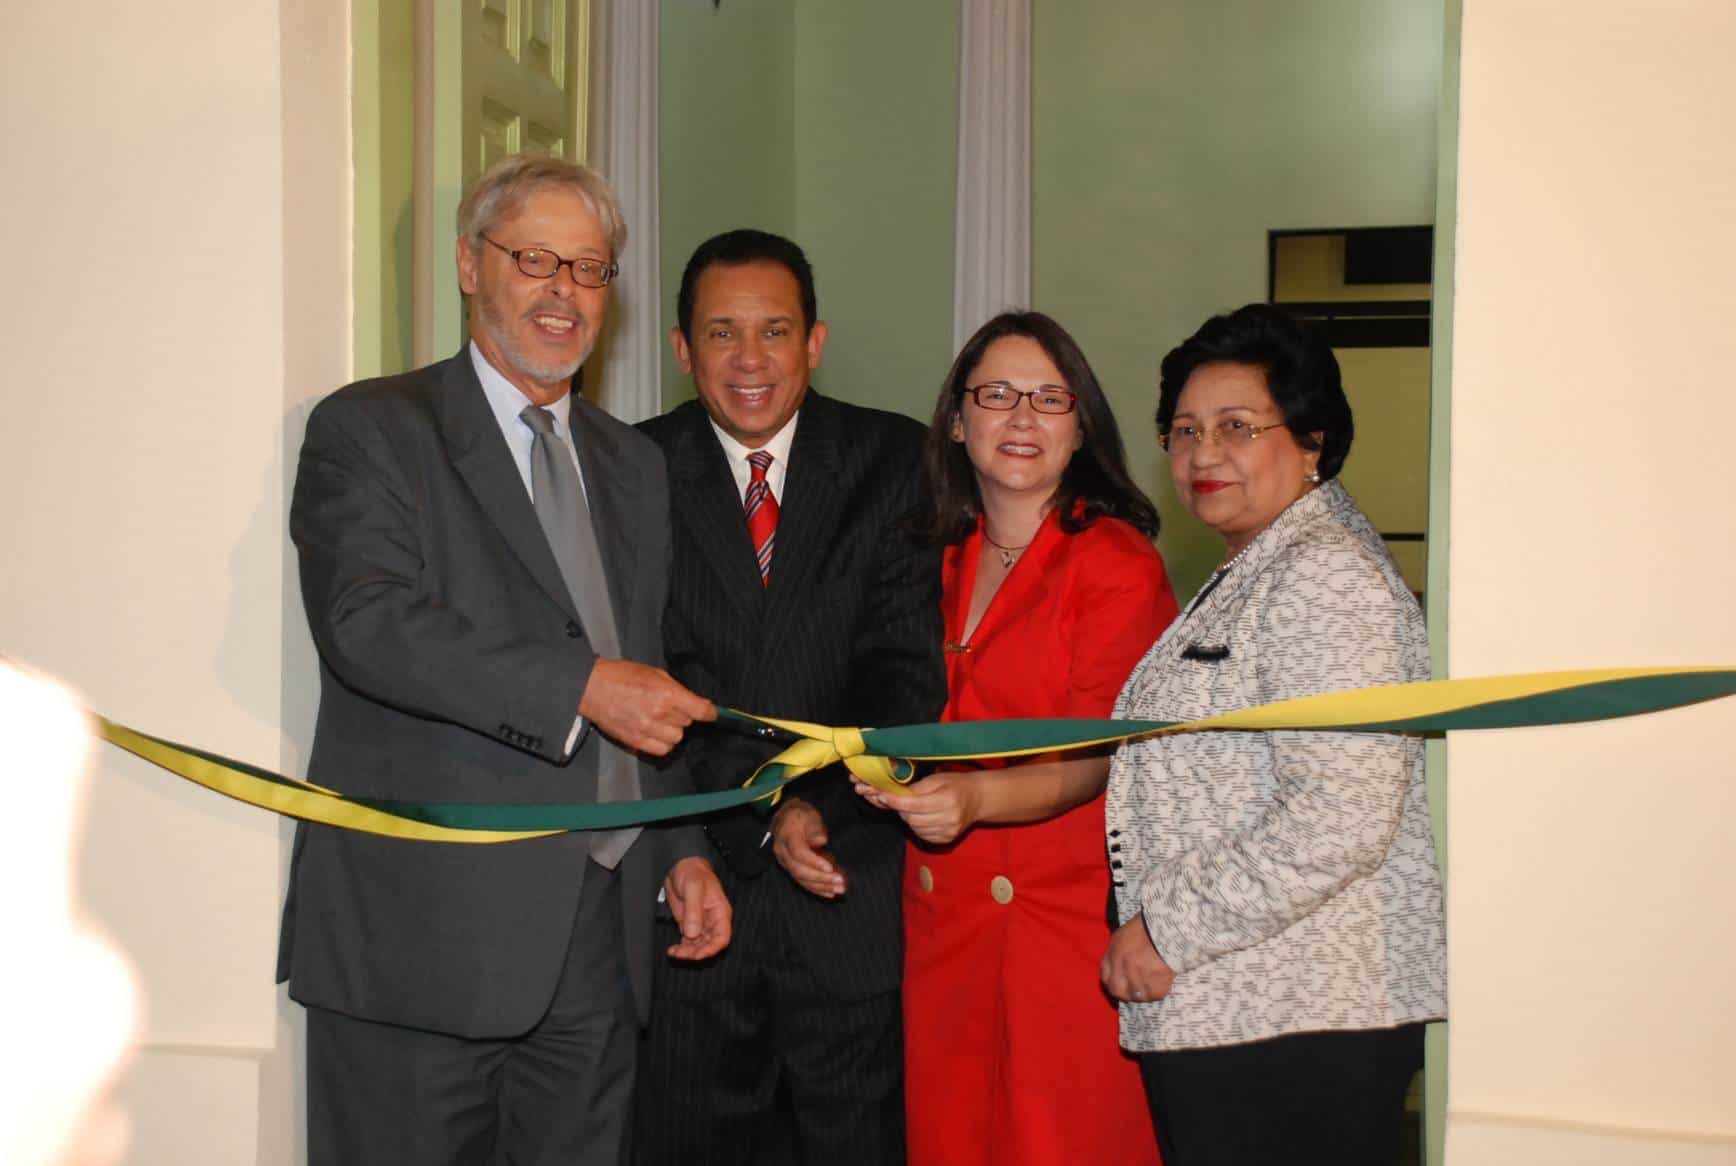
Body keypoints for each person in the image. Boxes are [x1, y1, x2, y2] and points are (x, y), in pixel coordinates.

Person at [279, 153, 732, 1166]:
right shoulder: (372, 427)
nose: (563, 292)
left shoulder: (633, 465)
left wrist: (680, 845)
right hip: (417, 946)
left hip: (599, 946)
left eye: (588, 268)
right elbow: (367, 624)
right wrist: (577, 687)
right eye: (535, 258)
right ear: (467, 264)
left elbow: (640, 665)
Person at [1101, 303, 1447, 1165]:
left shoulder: (1325, 575)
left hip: (1298, 1015)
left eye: (1236, 427)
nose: (1202, 454)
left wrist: (1165, 929)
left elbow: (1341, 814)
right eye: (1182, 431)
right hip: (1257, 1009)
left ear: (1313, 441)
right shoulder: (1265, 565)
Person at [633, 229, 946, 1165]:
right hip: (695, 902)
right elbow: (653, 674)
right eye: (722, 333)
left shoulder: (899, 459)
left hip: (849, 892)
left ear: (815, 341)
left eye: (775, 330)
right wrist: (767, 814)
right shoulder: (630, 471)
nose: (750, 359)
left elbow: (905, 671)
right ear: (683, 350)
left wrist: (818, 803)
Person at [855, 311, 1176, 1165]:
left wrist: (975, 798)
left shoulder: (1116, 562)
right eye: (996, 395)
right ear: (958, 423)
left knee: (1058, 1140)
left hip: (1062, 926)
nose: (1022, 418)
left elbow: (1099, 752)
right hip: (941, 914)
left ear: (1081, 429)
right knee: (951, 1136)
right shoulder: (930, 552)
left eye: (1049, 398)